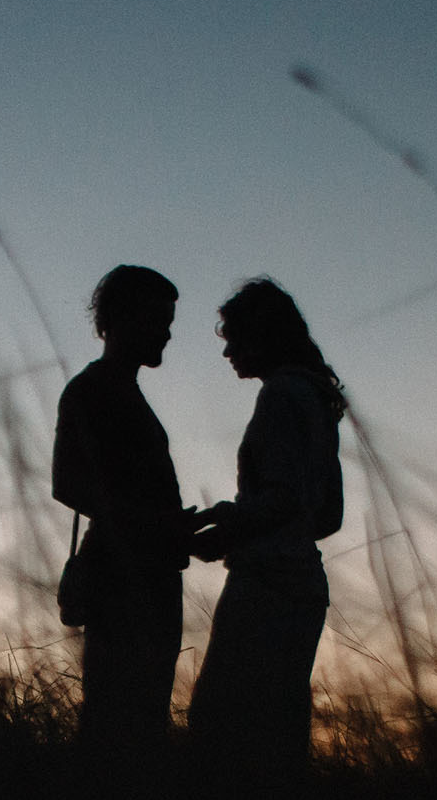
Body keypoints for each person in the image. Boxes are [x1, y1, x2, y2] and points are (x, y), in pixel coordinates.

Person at [187, 278, 347, 768]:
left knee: (218, 724)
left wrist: (226, 525)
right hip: (305, 582)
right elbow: (326, 514)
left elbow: (282, 501)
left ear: (263, 335)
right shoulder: (316, 399)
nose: (228, 351)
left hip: (267, 582)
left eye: (235, 337)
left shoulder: (280, 395)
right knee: (280, 731)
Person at [51, 265, 200, 747]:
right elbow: (68, 483)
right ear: (117, 319)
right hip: (123, 577)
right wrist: (160, 524)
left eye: (169, 321)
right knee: (119, 723)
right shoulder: (91, 390)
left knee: (142, 717)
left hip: (151, 574)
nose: (167, 333)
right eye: (157, 319)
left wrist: (173, 528)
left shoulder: (124, 390)